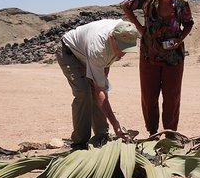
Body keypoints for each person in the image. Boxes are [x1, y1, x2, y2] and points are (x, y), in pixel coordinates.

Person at [121, 0, 193, 136]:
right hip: (149, 55)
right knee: (149, 96)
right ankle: (152, 131)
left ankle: (170, 133)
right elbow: (125, 5)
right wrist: (139, 27)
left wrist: (179, 39)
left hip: (173, 57)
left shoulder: (182, 3)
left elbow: (188, 23)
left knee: (172, 97)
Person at [57, 19, 139, 149]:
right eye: (121, 47)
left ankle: (101, 136)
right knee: (84, 93)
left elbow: (106, 65)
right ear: (112, 38)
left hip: (88, 54)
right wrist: (116, 125)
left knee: (98, 94)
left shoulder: (125, 29)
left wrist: (102, 79)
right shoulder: (98, 48)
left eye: (127, 48)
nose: (123, 53)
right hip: (70, 52)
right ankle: (80, 142)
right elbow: (100, 89)